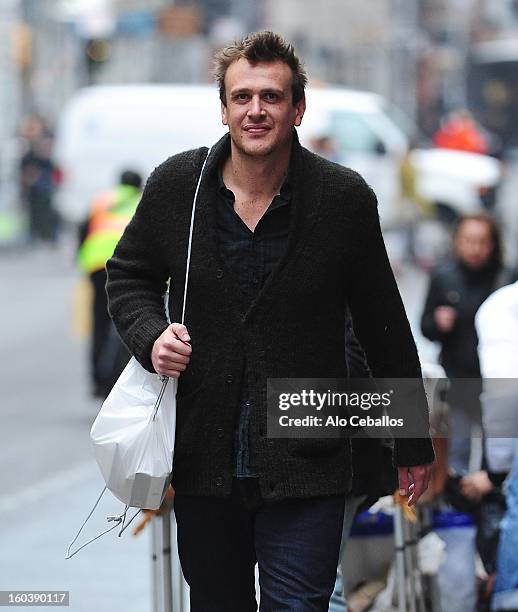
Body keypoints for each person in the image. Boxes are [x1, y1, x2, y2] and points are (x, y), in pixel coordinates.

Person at [106, 31, 434, 611]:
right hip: (204, 454)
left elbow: (384, 323)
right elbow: (127, 275)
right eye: (242, 97)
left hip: (309, 451)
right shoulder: (178, 186)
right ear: (225, 107)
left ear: (298, 108)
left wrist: (411, 443)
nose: (256, 111)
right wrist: (150, 335)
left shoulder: (342, 199)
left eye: (272, 97)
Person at [78, 170, 142, 398]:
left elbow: (83, 230)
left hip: (96, 265)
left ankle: (97, 378)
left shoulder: (102, 200)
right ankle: (115, 378)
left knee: (99, 323)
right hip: (125, 267)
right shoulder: (141, 201)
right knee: (124, 322)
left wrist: (82, 258)